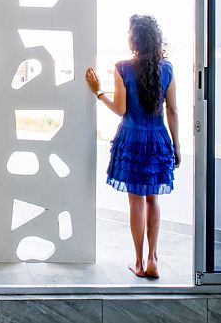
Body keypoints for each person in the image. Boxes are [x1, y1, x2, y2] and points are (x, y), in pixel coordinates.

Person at [85, 14, 181, 279]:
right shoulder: (167, 68)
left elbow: (120, 109)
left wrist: (98, 91)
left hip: (132, 139)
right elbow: (172, 110)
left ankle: (138, 262)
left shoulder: (123, 68)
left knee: (136, 202)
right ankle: (153, 260)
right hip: (158, 138)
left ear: (133, 39)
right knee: (153, 199)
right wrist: (177, 146)